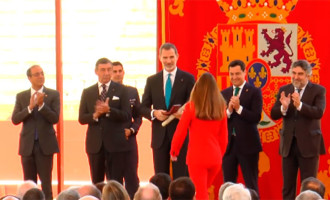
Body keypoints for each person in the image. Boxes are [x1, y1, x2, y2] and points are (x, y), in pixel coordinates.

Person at [270, 60, 326, 199]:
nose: (296, 77)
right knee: (288, 186)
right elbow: (274, 113)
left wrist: (300, 105)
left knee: (309, 187)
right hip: (288, 146)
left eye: (300, 74)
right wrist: (284, 107)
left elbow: (318, 112)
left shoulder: (318, 90)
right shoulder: (285, 89)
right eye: (294, 73)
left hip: (309, 145)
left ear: (308, 75)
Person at [139, 42, 195, 179]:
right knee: (160, 178)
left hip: (180, 134)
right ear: (159, 58)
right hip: (160, 137)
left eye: (171, 57)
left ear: (177, 56)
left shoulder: (188, 79)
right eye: (165, 58)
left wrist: (183, 114)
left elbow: (194, 104)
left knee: (181, 176)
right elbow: (143, 107)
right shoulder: (152, 80)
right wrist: (154, 113)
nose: (168, 61)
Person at [170, 72, 228, 199]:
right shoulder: (221, 108)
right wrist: (219, 154)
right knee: (203, 191)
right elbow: (224, 137)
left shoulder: (191, 107)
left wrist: (174, 151)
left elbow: (180, 131)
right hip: (215, 157)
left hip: (197, 158)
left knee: (200, 193)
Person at [78, 58, 131, 185]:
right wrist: (95, 115)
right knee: (97, 183)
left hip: (116, 145)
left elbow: (127, 115)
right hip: (95, 145)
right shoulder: (88, 92)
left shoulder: (122, 90)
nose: (106, 73)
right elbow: (81, 118)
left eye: (109, 70)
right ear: (96, 71)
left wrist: (109, 110)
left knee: (115, 184)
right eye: (103, 70)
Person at [11, 65, 60, 200]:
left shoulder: (53, 94)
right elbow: (15, 119)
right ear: (29, 78)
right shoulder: (22, 96)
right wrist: (30, 107)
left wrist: (41, 106)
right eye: (37, 74)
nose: (40, 76)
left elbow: (55, 118)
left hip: (45, 146)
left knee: (46, 185)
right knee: (29, 185)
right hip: (27, 146)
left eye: (42, 73)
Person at [221, 60, 262, 194]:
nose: (234, 77)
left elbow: (256, 117)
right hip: (228, 147)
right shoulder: (224, 93)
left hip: (248, 146)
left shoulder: (254, 92)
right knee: (228, 185)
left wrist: (239, 108)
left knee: (251, 184)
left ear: (244, 72)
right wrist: (229, 111)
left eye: (237, 73)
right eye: (231, 74)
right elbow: (220, 119)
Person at [111, 61, 142, 198]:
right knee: (114, 180)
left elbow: (138, 116)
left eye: (120, 71)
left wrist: (132, 130)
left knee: (132, 178)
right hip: (112, 143)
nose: (118, 74)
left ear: (123, 73)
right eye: (115, 71)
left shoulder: (132, 91)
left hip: (129, 141)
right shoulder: (105, 93)